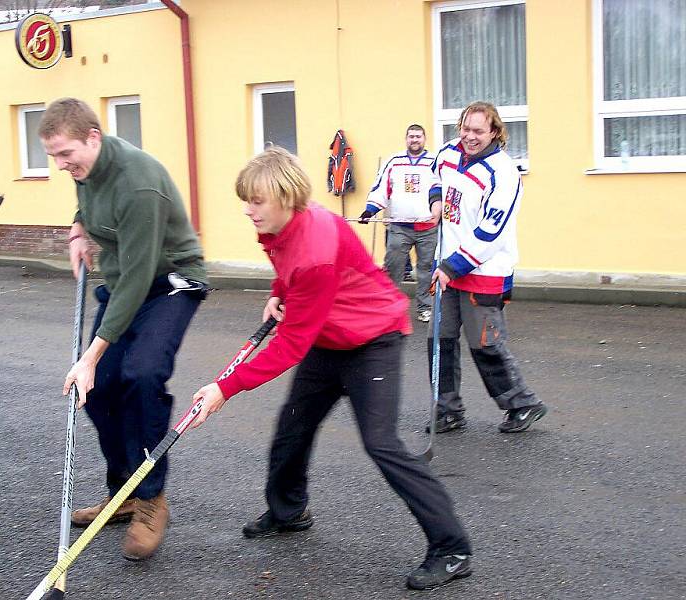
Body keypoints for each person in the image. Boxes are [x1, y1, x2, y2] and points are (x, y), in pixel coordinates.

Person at [190, 147, 472, 591]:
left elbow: (291, 343)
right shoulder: (284, 224)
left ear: (287, 197)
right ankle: (289, 511)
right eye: (246, 199)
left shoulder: (314, 248)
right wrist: (278, 290)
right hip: (328, 337)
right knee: (293, 427)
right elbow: (287, 266)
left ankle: (452, 547)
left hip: (371, 340)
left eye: (257, 201)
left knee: (382, 443)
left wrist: (226, 387)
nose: (248, 210)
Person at [38, 98, 208, 561]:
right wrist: (78, 229)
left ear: (94, 137)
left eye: (65, 154)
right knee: (97, 391)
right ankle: (124, 491)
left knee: (143, 374)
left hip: (169, 283)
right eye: (53, 156)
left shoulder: (138, 184)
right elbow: (86, 200)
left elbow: (136, 280)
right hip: (127, 281)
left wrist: (90, 355)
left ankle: (151, 496)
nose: (60, 164)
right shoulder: (87, 170)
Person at [428, 101, 547, 434]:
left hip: (483, 271)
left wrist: (452, 267)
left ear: (494, 131)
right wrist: (436, 200)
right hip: (446, 264)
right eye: (465, 129)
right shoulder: (449, 153)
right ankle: (447, 409)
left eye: (478, 131)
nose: (469, 136)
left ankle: (522, 403)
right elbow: (434, 174)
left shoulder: (504, 173)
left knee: (485, 344)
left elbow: (490, 233)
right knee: (440, 339)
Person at [359, 124, 439, 322]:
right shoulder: (394, 162)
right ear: (406, 139)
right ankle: (389, 306)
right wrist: (371, 209)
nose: (414, 140)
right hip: (400, 226)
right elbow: (381, 187)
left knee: (426, 270)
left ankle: (424, 307)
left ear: (424, 139)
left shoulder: (435, 162)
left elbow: (442, 188)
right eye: (411, 136)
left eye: (418, 136)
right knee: (392, 266)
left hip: (428, 227)